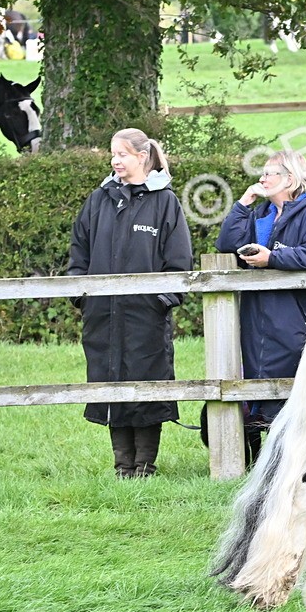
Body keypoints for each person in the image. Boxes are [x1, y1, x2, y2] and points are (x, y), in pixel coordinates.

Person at [67, 129, 193, 478]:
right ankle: (123, 466)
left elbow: (179, 260)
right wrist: (82, 296)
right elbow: (79, 250)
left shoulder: (165, 201)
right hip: (102, 316)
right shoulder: (98, 199)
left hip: (146, 317)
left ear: (142, 156)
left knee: (147, 385)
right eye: (112, 154)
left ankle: (145, 466)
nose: (115, 160)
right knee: (111, 384)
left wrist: (161, 302)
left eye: (122, 154)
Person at [215, 150, 306, 463]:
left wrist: (272, 259)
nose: (262, 179)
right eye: (262, 173)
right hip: (260, 311)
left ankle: (303, 457)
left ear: (289, 179)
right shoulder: (261, 212)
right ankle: (273, 458)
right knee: (261, 374)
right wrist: (242, 204)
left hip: (297, 312)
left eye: (270, 173)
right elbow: (225, 244)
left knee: (296, 380)